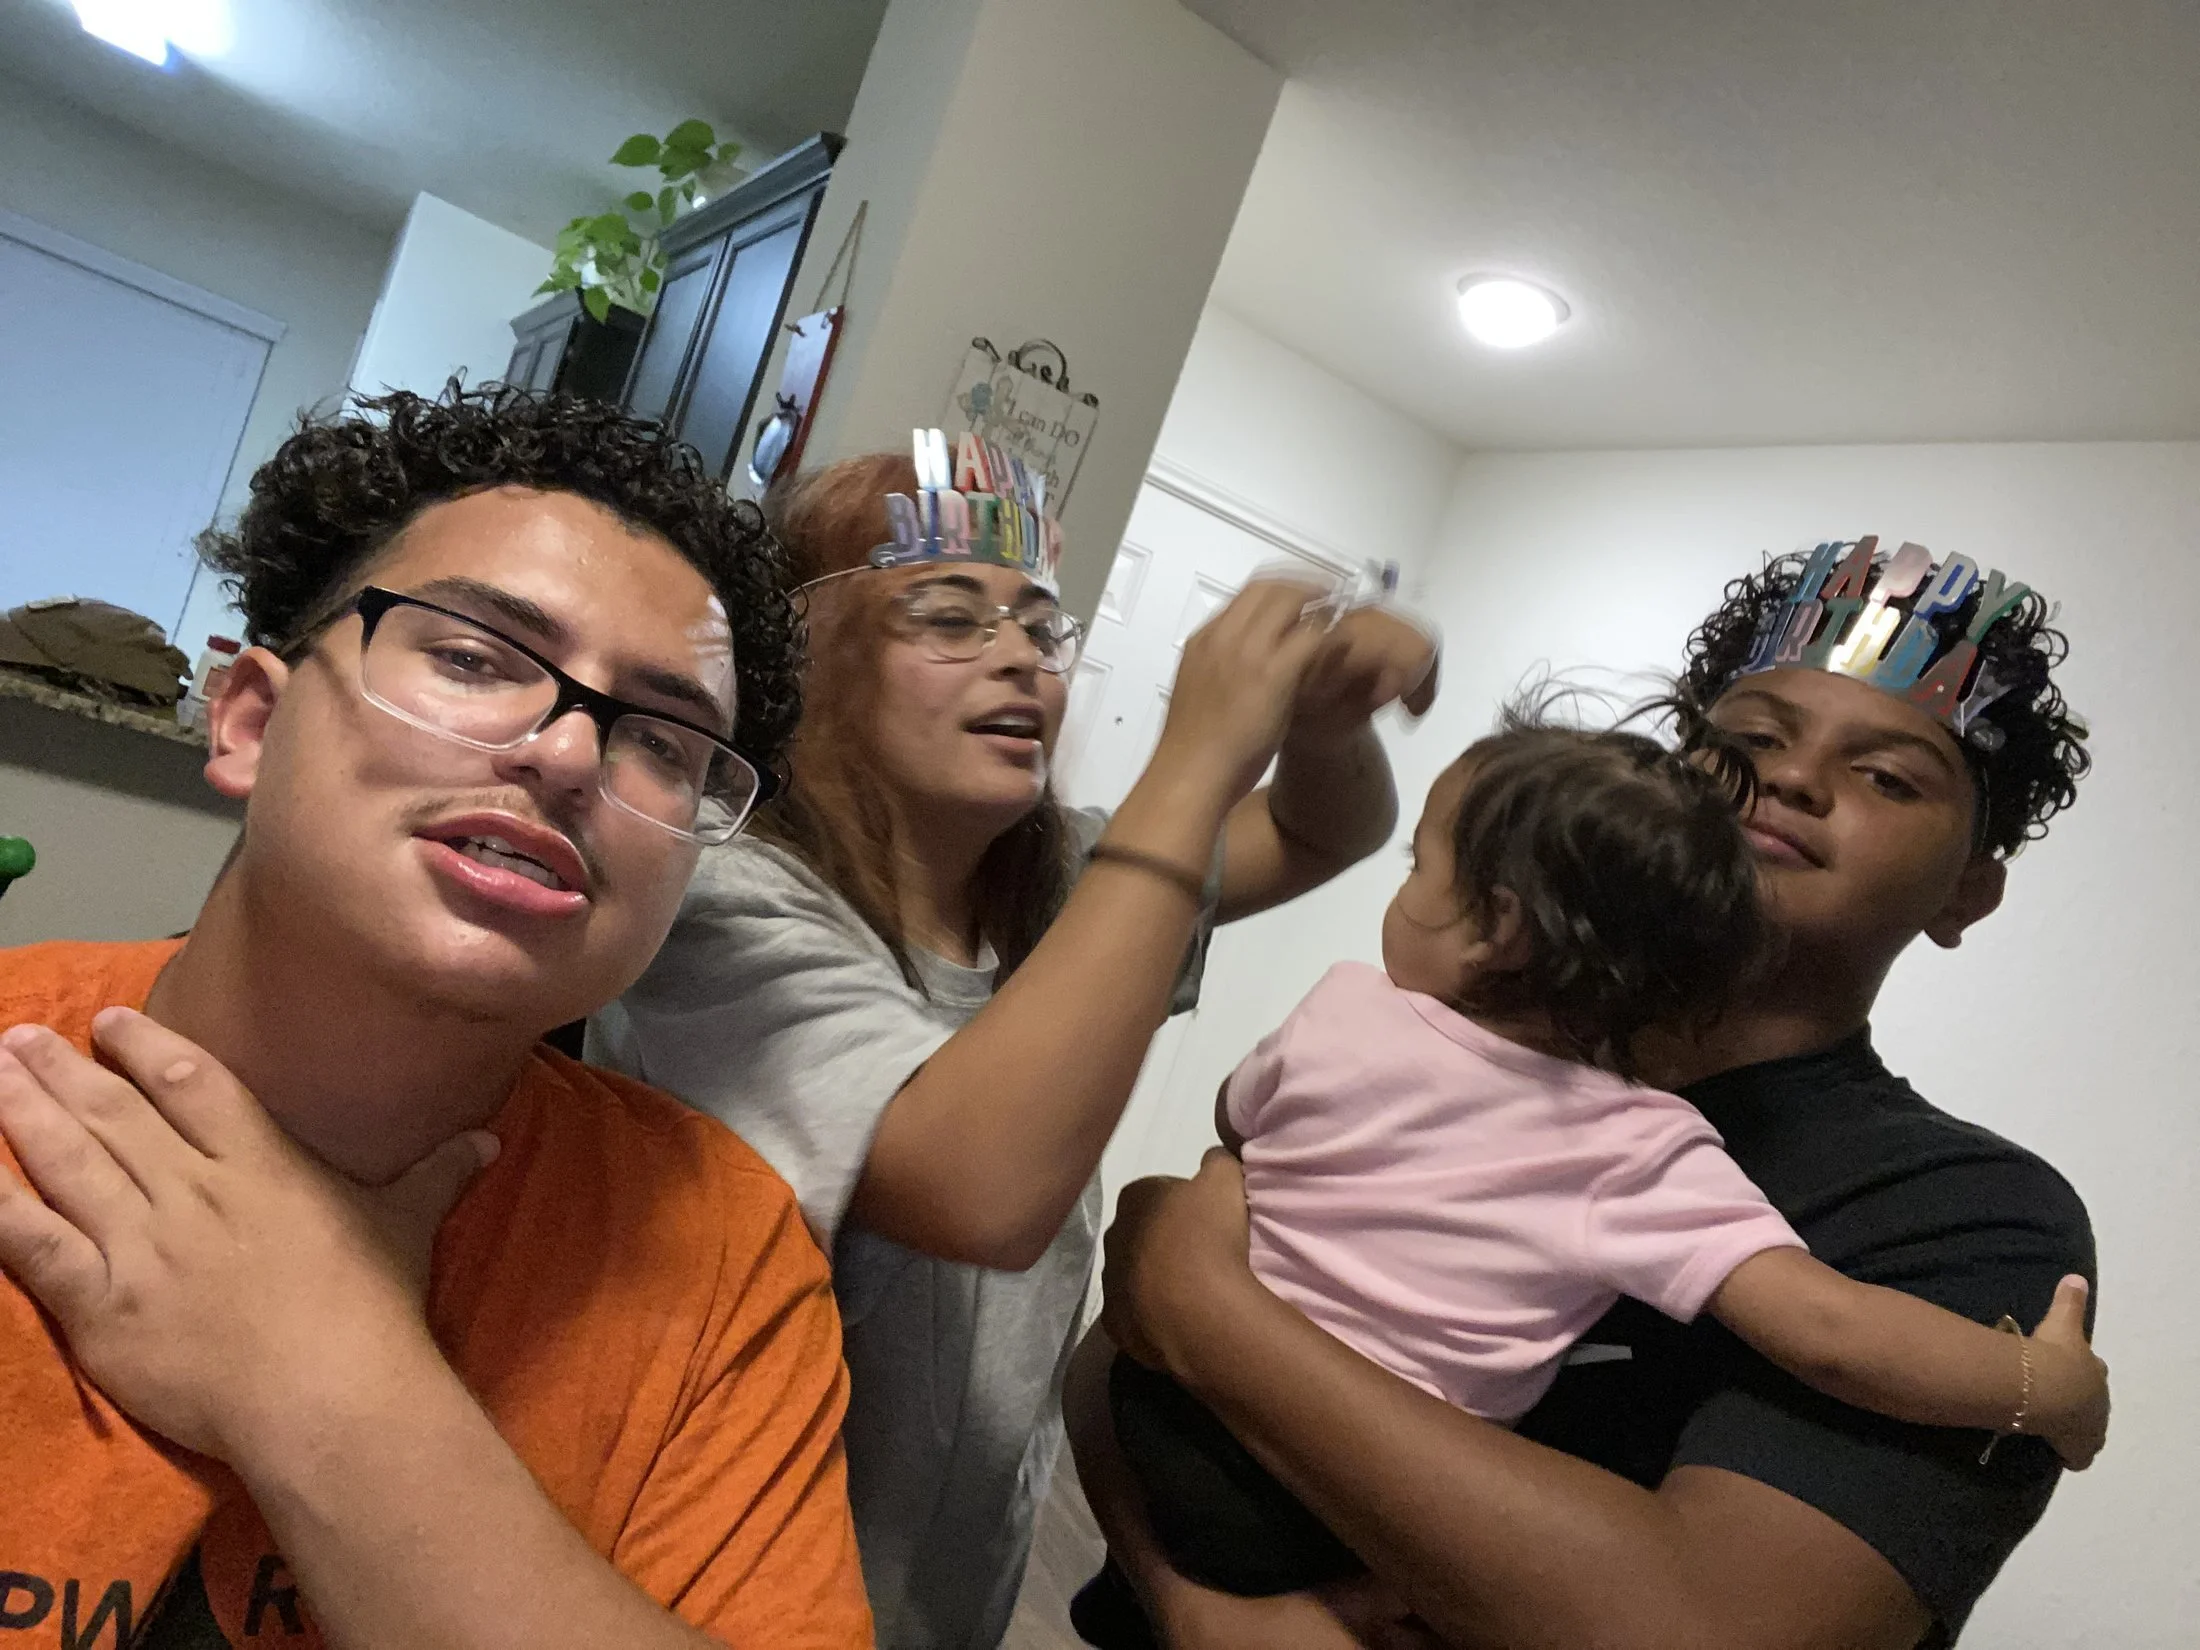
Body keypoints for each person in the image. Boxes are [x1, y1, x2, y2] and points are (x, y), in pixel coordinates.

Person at [1073, 534, 2101, 1650]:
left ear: (1967, 893)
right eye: (1747, 743)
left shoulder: (1959, 1215)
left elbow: (1707, 1633)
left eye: (1887, 776)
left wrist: (1203, 1305)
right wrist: (1193, 1610)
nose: (1793, 780)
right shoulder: (1434, 1043)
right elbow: (1123, 1354)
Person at [0, 387, 873, 1650]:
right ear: (249, 717)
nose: (571, 757)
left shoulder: (718, 1252)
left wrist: (324, 1380)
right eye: (472, 657)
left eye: (666, 745)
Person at [590, 433, 1439, 1649]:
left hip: (948, 1575)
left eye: (1040, 628)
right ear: (807, 659)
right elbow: (977, 1185)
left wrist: (1320, 717)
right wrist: (1198, 754)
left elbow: (1323, 829)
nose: (1020, 660)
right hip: (709, 1584)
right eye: (944, 617)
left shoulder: (1062, 886)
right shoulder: (719, 901)